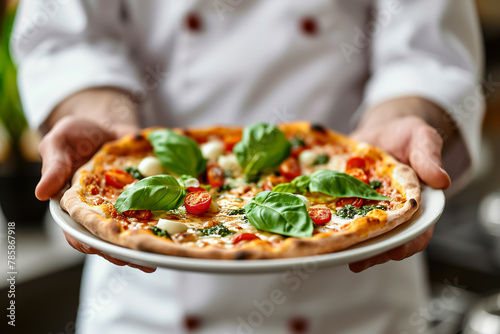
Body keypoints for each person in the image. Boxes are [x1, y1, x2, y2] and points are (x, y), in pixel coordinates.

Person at [12, 1, 484, 333]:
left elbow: (427, 50)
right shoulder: (108, 185)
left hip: (351, 308)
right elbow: (64, 37)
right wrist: (104, 127)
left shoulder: (372, 179)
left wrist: (405, 117)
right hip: (148, 307)